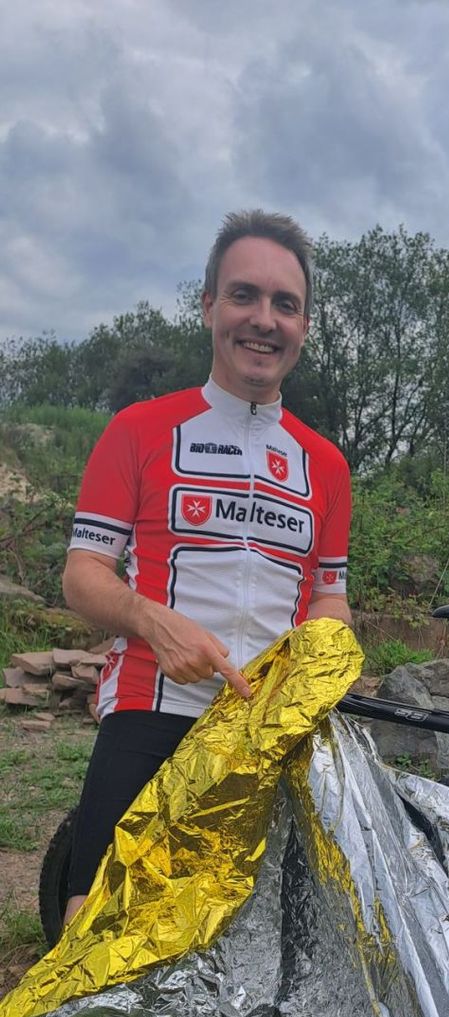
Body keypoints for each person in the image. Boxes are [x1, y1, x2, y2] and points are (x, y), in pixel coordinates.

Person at [61, 210, 352, 925]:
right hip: (153, 705)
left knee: (287, 940)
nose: (264, 319)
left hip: (269, 727)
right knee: (89, 923)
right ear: (209, 308)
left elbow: (329, 597)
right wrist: (150, 620)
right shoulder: (139, 429)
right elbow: (82, 575)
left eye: (285, 304)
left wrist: (326, 654)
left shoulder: (328, 466)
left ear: (304, 326)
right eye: (244, 295)